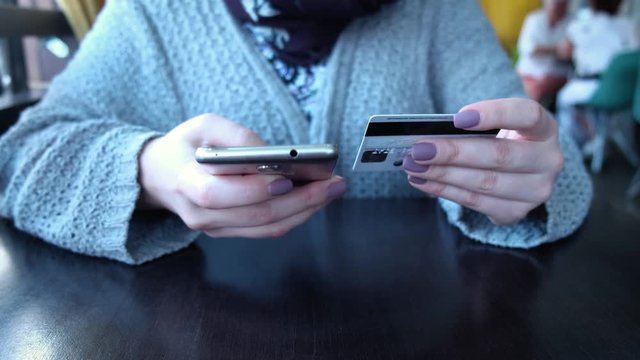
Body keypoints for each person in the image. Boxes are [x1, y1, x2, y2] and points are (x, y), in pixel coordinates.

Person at [0, 0, 592, 264]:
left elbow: (549, 163)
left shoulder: (442, 11)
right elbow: (20, 157)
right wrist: (148, 171)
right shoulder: (151, 12)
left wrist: (539, 174)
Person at [556, 0, 639, 145]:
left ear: (591, 4)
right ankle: (597, 137)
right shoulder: (629, 26)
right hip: (625, 93)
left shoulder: (579, 26)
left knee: (563, 99)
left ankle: (576, 143)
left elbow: (563, 53)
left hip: (590, 88)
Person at [516, 0, 571, 104]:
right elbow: (527, 48)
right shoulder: (534, 19)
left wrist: (544, 50)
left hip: (554, 74)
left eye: (561, 4)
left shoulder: (572, 23)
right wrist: (556, 49)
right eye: (555, 4)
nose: (558, 7)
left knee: (534, 91)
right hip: (526, 72)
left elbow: (569, 53)